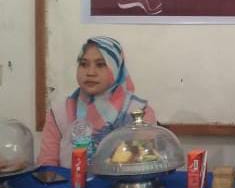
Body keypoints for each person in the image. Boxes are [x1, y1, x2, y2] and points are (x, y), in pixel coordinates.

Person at [38, 36, 156, 167]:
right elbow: (46, 167)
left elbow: (146, 164)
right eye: (84, 64)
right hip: (69, 181)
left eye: (100, 65)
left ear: (116, 69)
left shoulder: (140, 112)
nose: (90, 72)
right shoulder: (60, 112)